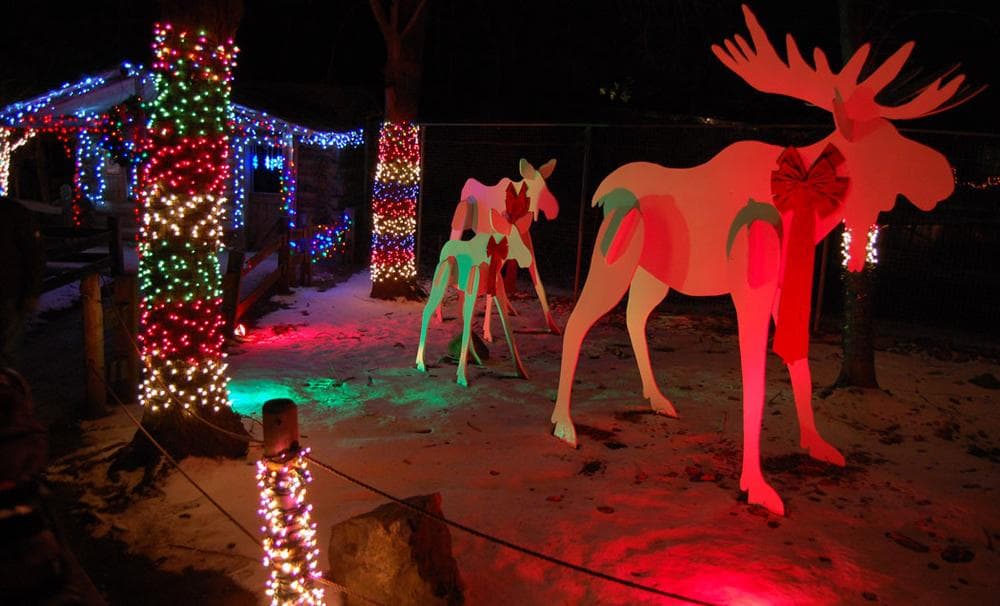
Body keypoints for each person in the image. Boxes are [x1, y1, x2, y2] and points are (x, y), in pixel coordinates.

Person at [0, 196, 45, 369]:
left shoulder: (13, 213)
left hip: (9, 293)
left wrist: (32, 291)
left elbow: (34, 254)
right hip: (9, 291)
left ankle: (7, 390)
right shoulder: (14, 212)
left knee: (7, 350)